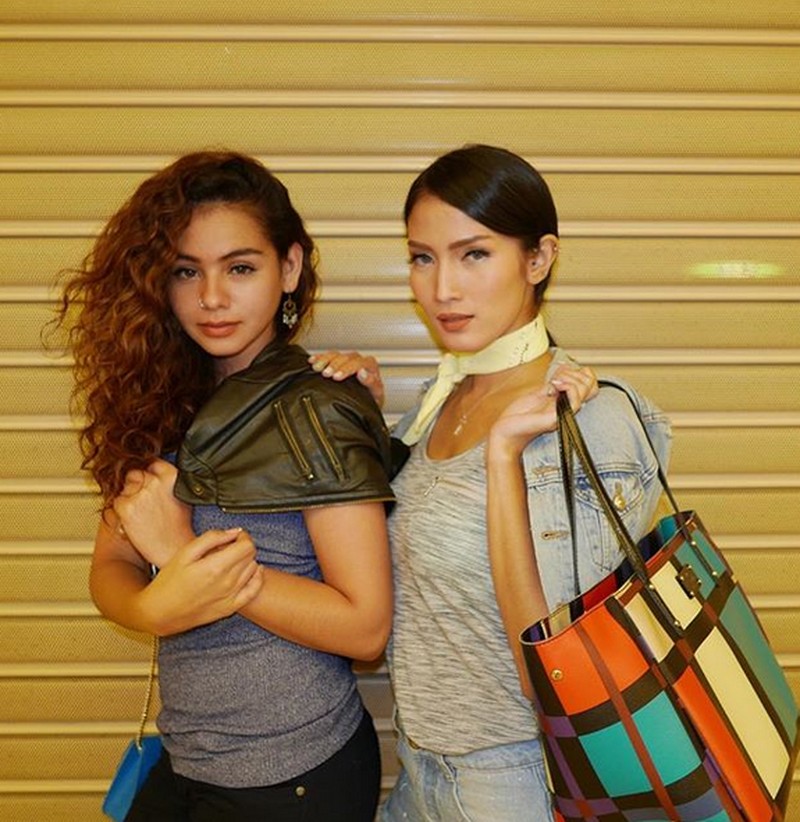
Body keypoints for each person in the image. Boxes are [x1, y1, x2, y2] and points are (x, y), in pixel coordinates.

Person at [310, 144, 672, 821]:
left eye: (473, 254)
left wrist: (506, 454)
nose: (442, 288)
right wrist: (364, 420)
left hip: (515, 783)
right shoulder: (443, 398)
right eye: (423, 257)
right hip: (422, 770)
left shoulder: (586, 419)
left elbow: (557, 674)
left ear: (538, 259)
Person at [56, 151, 397, 821]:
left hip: (294, 773)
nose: (212, 298)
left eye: (240, 268)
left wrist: (185, 558)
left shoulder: (317, 409)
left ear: (289, 268)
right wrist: (155, 609)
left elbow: (366, 629)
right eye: (187, 271)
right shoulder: (159, 402)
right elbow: (111, 564)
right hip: (188, 759)